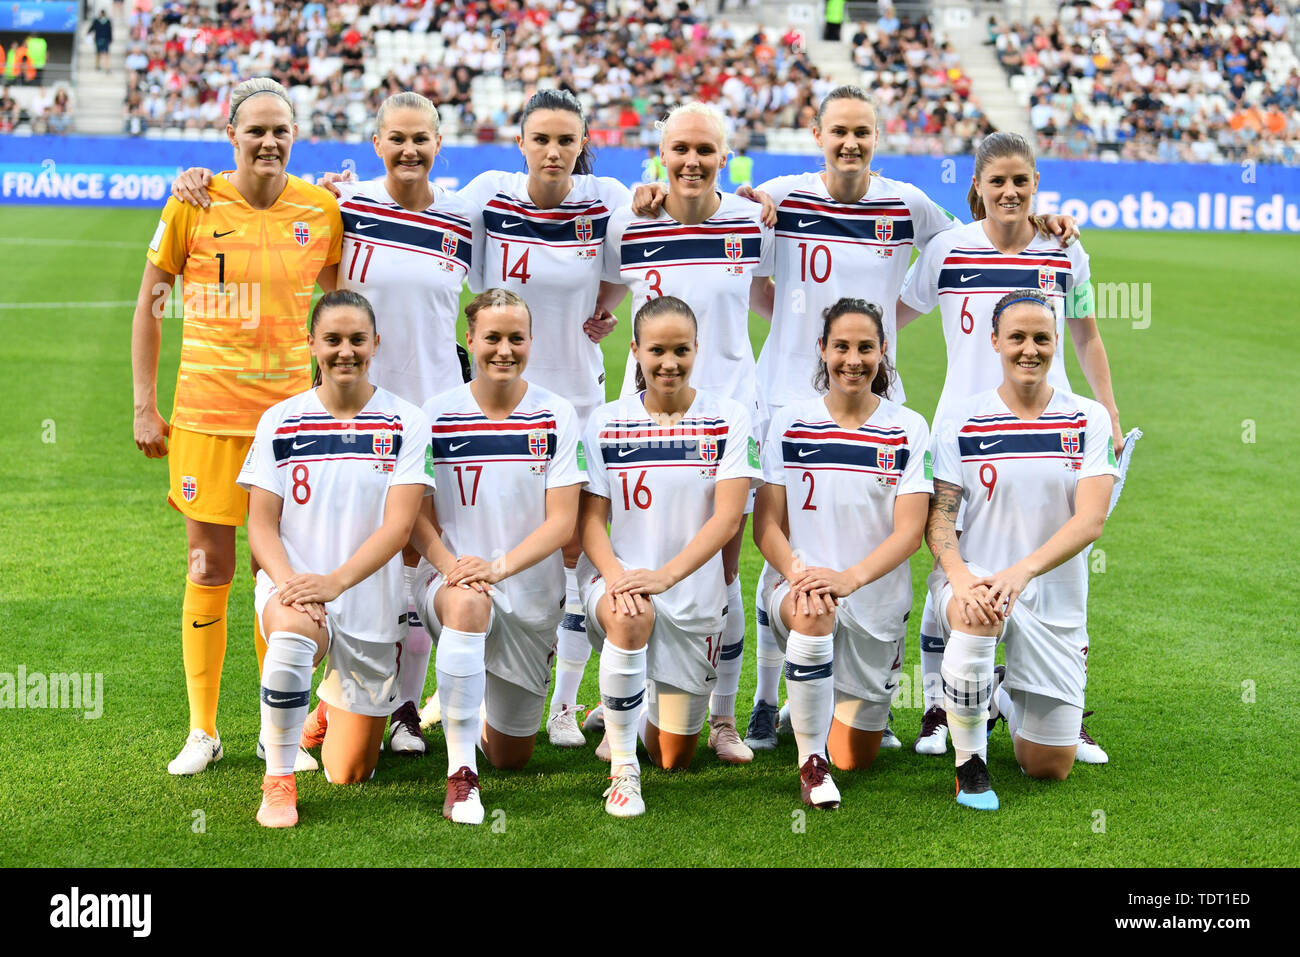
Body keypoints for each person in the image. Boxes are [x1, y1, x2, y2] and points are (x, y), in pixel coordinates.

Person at [743, 86, 1076, 752]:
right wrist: (785, 318)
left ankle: (865, 693)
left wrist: (1043, 224)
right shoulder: (780, 193)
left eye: (863, 132)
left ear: (878, 136)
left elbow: (972, 237)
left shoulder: (908, 204)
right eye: (839, 131)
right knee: (783, 537)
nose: (850, 143)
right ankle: (762, 697)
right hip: (785, 394)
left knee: (866, 531)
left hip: (871, 389)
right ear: (817, 133)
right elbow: (738, 259)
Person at [131, 77, 341, 775]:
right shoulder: (192, 202)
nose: (269, 140)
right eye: (256, 129)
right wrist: (143, 402)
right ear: (232, 136)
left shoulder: (322, 208)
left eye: (281, 129)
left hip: (288, 427)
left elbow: (340, 316)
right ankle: (202, 730)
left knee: (275, 572)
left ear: (294, 135)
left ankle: (269, 729)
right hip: (204, 419)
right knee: (208, 564)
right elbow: (150, 306)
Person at [898, 130, 1122, 761]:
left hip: (1048, 431)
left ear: (1036, 183)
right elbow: (893, 316)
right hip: (963, 431)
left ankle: (1061, 706)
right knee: (953, 563)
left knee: (1057, 568)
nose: (1010, 191)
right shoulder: (946, 249)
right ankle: (942, 709)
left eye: (1021, 180)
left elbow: (1086, 336)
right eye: (997, 181)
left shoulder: (1063, 250)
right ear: (977, 186)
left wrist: (1106, 405)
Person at [454, 89, 631, 748]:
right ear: (521, 142)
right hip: (498, 403)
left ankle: (563, 705)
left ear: (582, 144)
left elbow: (627, 261)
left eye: (567, 140)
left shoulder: (606, 198)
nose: (554, 151)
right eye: (542, 139)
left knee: (575, 551)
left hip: (580, 401)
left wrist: (603, 305)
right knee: (487, 533)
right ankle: (459, 688)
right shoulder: (490, 194)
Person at [603, 101, 774, 763]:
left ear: (724, 158)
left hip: (728, 416)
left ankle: (724, 714)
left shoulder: (752, 222)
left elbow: (781, 294)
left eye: (706, 150)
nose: (692, 162)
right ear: (661, 153)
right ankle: (626, 697)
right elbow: (606, 290)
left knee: (723, 566)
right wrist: (599, 320)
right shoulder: (632, 220)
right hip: (641, 416)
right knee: (634, 548)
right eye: (680, 150)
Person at [239, 290, 432, 827]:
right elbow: (260, 524)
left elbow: (399, 527)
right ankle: (277, 780)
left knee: (349, 771)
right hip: (297, 586)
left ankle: (325, 707)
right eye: (332, 340)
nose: (345, 351)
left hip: (368, 599)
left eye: (356, 340)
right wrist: (292, 585)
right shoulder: (281, 419)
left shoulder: (407, 421)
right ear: (312, 345)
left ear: (375, 344)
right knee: (294, 632)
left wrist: (335, 583)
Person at [924, 288, 1118, 810]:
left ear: (1055, 343)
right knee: (979, 613)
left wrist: (1024, 572)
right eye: (1016, 338)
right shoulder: (960, 419)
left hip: (1050, 597)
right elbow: (940, 517)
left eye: (1041, 338)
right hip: (978, 581)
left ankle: (996, 694)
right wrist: (961, 578)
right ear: (994, 342)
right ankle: (970, 764)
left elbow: (1092, 519)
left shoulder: (1088, 419)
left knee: (1048, 767)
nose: (1028, 349)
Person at [578, 297, 761, 817]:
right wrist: (618, 577)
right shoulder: (605, 422)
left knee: (674, 755)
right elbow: (590, 521)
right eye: (656, 350)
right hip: (622, 588)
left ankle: (629, 713)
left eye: (681, 350)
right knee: (631, 614)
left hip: (690, 594)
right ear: (634, 350)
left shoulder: (729, 418)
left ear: (697, 349)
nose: (669, 363)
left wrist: (665, 577)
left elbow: (728, 520)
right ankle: (622, 771)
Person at [409, 289, 585, 824]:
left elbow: (563, 522)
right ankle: (461, 777)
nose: (503, 350)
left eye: (515, 338)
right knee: (467, 606)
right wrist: (450, 565)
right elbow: (412, 513)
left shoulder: (557, 414)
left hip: (529, 596)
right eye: (491, 338)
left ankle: (470, 697)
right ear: (470, 340)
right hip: (454, 581)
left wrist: (499, 567)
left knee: (513, 756)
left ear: (531, 341)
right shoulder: (434, 414)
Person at [753, 298, 930, 809]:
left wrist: (848, 580)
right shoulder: (789, 423)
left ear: (883, 352)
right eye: (842, 347)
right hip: (801, 586)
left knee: (858, 756)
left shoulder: (908, 428)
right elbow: (766, 524)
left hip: (873, 600)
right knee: (813, 609)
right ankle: (812, 762)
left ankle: (811, 698)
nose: (853, 360)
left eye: (865, 348)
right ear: (822, 350)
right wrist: (800, 574)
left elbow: (910, 532)